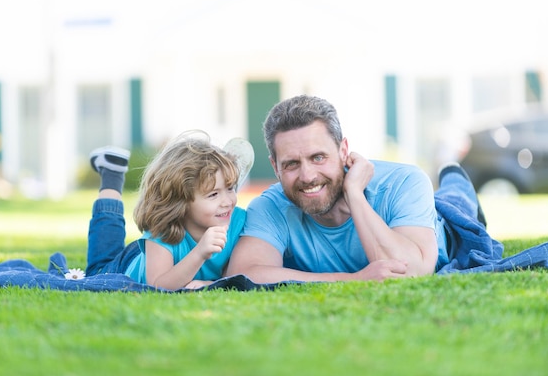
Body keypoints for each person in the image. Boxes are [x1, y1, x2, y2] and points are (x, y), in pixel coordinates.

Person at [226, 95, 488, 283]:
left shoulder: (405, 181)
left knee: (457, 201)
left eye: (318, 158)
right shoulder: (270, 206)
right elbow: (244, 274)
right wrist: (354, 278)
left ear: (343, 151)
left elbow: (411, 273)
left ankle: (455, 178)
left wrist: (355, 194)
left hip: (448, 225)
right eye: (292, 164)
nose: (307, 176)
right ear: (275, 166)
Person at [86, 131, 254, 290]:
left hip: (153, 257)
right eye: (213, 194)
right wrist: (200, 252)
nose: (227, 201)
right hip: (125, 267)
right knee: (98, 272)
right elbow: (158, 285)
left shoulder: (238, 222)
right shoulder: (162, 230)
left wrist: (207, 283)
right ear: (181, 200)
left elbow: (233, 274)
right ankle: (112, 175)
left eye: (230, 188)